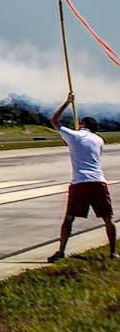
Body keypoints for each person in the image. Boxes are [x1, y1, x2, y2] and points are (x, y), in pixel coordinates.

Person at [45, 93, 115, 262]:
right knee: (108, 219)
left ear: (82, 125)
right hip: (98, 181)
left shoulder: (75, 136)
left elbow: (54, 121)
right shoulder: (99, 140)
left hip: (80, 182)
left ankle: (61, 251)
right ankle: (113, 252)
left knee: (69, 218)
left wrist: (67, 103)